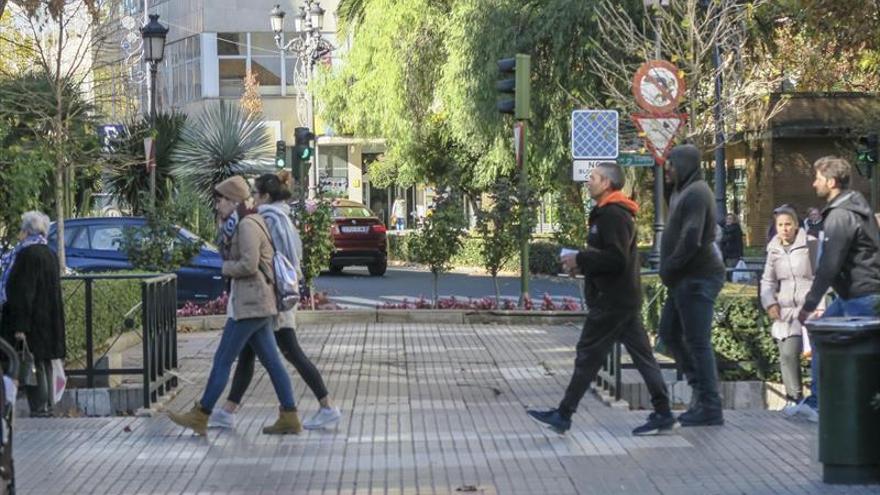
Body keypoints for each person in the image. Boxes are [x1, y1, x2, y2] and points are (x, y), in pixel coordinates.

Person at [526, 163, 675, 436]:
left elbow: (616, 258)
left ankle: (564, 414)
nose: (587, 182)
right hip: (622, 300)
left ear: (606, 183)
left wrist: (581, 258)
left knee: (587, 355)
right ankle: (663, 411)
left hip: (612, 302)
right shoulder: (608, 214)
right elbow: (609, 257)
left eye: (592, 178)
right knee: (642, 357)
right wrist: (581, 264)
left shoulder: (613, 216)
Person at [168, 176, 300, 436]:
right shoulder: (240, 222)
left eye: (220, 201)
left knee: (222, 360)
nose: (217, 206)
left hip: (251, 302)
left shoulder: (247, 225)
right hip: (255, 302)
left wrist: (225, 268)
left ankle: (201, 414)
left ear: (233, 200)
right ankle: (290, 415)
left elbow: (249, 264)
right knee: (273, 361)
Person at [210, 172, 342, 431]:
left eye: (256, 194)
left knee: (290, 352)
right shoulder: (281, 217)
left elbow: (270, 258)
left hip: (274, 296)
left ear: (266, 196)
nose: (253, 199)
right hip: (273, 296)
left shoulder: (269, 219)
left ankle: (326, 406)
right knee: (249, 354)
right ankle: (227, 411)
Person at [796, 156, 880, 421]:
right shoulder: (855, 207)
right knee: (824, 337)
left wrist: (809, 304)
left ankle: (824, 405)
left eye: (818, 178)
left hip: (860, 295)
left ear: (831, 182)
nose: (813, 184)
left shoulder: (841, 216)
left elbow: (829, 265)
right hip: (856, 294)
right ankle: (819, 401)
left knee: (859, 353)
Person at [658, 144, 727, 427]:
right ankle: (700, 393)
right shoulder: (680, 191)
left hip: (698, 276)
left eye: (671, 164)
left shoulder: (698, 193)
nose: (667, 169)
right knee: (669, 334)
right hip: (684, 278)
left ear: (685, 165)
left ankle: (710, 405)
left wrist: (670, 266)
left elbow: (691, 238)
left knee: (697, 341)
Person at [0, 211, 65, 417]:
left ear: (27, 231)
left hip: (32, 320)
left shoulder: (26, 255)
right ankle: (47, 405)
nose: (19, 234)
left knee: (33, 363)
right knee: (44, 361)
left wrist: (20, 326)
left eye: (21, 230)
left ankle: (39, 407)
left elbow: (22, 292)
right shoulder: (49, 252)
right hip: (48, 317)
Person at [760, 206, 821, 417]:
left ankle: (816, 400)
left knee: (816, 355)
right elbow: (767, 280)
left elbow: (822, 275)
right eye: (780, 225)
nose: (784, 229)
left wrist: (819, 304)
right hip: (785, 309)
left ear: (796, 225)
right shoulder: (773, 249)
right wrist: (769, 302)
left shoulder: (811, 244)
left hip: (809, 307)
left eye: (788, 224)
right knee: (786, 354)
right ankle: (793, 398)